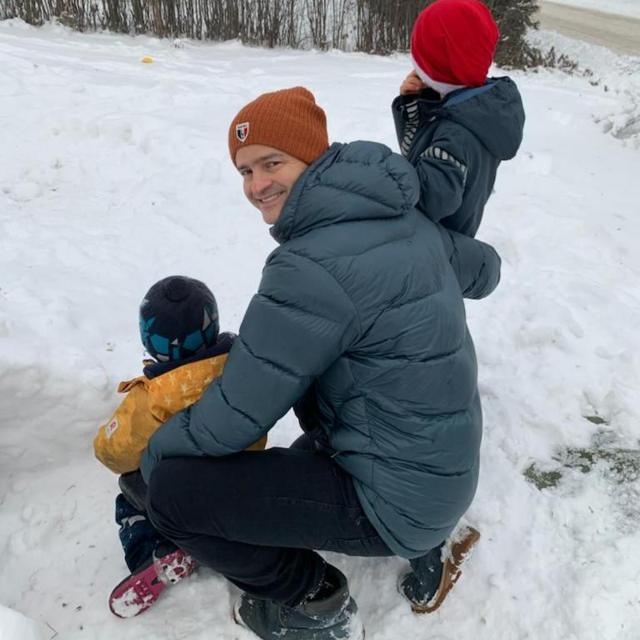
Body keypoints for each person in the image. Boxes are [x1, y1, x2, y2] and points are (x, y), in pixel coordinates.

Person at [139, 87, 501, 640]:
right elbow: (485, 270)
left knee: (174, 494)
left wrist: (152, 461)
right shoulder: (405, 217)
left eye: (271, 162)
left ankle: (311, 600)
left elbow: (236, 416)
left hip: (392, 498)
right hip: (440, 471)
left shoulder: (309, 268)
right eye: (244, 171)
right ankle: (428, 540)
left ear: (310, 155)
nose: (257, 185)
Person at [93, 275, 266, 618]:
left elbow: (115, 454)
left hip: (184, 493)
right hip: (244, 477)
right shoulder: (241, 367)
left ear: (150, 339)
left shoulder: (152, 398)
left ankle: (152, 551)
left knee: (128, 491)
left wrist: (109, 440)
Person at [392, 0, 525, 237]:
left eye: (420, 61)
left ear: (439, 67)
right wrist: (414, 102)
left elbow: (426, 201)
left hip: (436, 251)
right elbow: (418, 154)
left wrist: (380, 178)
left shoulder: (456, 134)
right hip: (445, 243)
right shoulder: (472, 111)